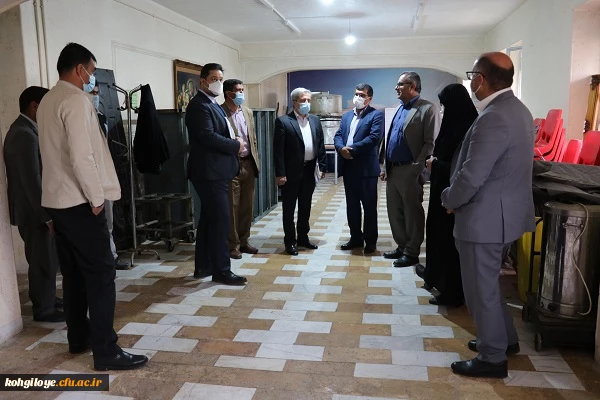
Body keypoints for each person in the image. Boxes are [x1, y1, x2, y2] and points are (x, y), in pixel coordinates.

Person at [38, 42, 148, 371]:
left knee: (73, 274)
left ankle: (79, 337)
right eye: (91, 71)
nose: (92, 78)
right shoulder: (75, 100)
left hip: (58, 201)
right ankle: (106, 350)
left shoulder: (48, 100)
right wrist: (97, 199)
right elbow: (82, 156)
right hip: (81, 202)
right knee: (101, 275)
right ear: (79, 70)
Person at [441, 52, 535, 378]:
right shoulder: (518, 110)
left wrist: (450, 199)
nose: (471, 83)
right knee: (490, 284)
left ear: (480, 79)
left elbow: (472, 175)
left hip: (485, 220)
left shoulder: (493, 117)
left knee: (480, 291)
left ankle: (492, 357)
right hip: (505, 216)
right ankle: (504, 339)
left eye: (472, 76)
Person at [3, 86, 64, 323]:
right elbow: (32, 180)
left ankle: (47, 298)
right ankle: (43, 308)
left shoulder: (28, 130)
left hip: (35, 209)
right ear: (34, 106)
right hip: (32, 211)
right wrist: (46, 216)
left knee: (46, 258)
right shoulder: (23, 134)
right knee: (41, 260)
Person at [416, 84, 478, 307]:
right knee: (436, 233)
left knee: (449, 241)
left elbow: (462, 166)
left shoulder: (468, 128)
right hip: (440, 189)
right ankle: (433, 274)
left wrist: (436, 164)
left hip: (453, 193)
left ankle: (451, 291)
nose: (442, 110)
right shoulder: (452, 123)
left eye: (444, 105)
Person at [186, 63, 247, 285]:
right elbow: (207, 136)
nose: (218, 83)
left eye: (220, 79)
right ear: (203, 81)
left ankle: (203, 266)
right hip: (209, 172)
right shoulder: (199, 105)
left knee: (209, 220)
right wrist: (235, 145)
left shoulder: (212, 103)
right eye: (214, 79)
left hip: (217, 170)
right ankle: (222, 271)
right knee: (221, 221)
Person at [380, 72, 440, 267]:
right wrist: (385, 166)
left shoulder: (427, 109)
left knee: (412, 212)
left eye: (400, 84)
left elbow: (430, 142)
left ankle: (412, 251)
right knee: (395, 211)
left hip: (410, 169)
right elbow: (391, 139)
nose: (396, 87)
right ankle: (401, 246)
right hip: (393, 169)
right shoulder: (400, 108)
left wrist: (417, 168)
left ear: (412, 86)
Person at [274, 88, 326, 256]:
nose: (306, 103)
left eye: (309, 100)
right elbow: (278, 150)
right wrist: (280, 173)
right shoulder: (283, 122)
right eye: (303, 100)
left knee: (305, 206)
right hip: (290, 173)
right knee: (289, 208)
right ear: (294, 102)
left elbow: (320, 144)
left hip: (309, 170)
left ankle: (303, 237)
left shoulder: (315, 120)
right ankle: (290, 241)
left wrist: (322, 166)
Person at [334, 83, 384, 255]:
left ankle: (370, 241)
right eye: (356, 94)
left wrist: (351, 150)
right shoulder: (347, 116)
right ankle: (355, 237)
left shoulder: (376, 115)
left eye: (362, 95)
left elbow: (374, 138)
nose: (358, 98)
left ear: (369, 98)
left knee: (369, 208)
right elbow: (338, 135)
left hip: (366, 170)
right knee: (352, 206)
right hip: (349, 168)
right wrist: (341, 148)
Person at [90, 84, 130, 270]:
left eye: (97, 93)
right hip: (88, 176)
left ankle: (111, 256)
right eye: (91, 93)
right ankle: (100, 258)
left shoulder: (101, 117)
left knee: (108, 220)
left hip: (104, 174)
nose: (95, 96)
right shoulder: (79, 117)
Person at [222, 79, 260, 259]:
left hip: (248, 163)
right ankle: (232, 245)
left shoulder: (247, 112)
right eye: (238, 90)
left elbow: (252, 137)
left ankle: (244, 241)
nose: (241, 94)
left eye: (242, 90)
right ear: (228, 93)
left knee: (247, 206)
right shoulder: (220, 112)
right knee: (232, 206)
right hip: (231, 164)